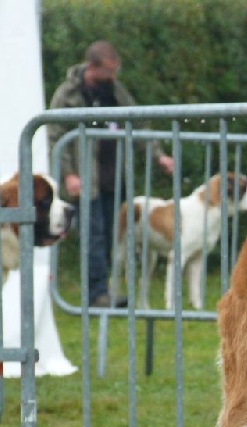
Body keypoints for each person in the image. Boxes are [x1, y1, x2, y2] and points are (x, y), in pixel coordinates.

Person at [47, 40, 174, 307]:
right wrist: (68, 174)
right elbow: (55, 135)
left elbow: (137, 122)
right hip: (86, 180)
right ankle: (96, 294)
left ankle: (107, 289)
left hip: (114, 178)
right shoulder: (68, 94)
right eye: (108, 71)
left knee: (110, 234)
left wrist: (158, 155)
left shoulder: (114, 90)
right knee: (94, 236)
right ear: (92, 67)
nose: (112, 77)